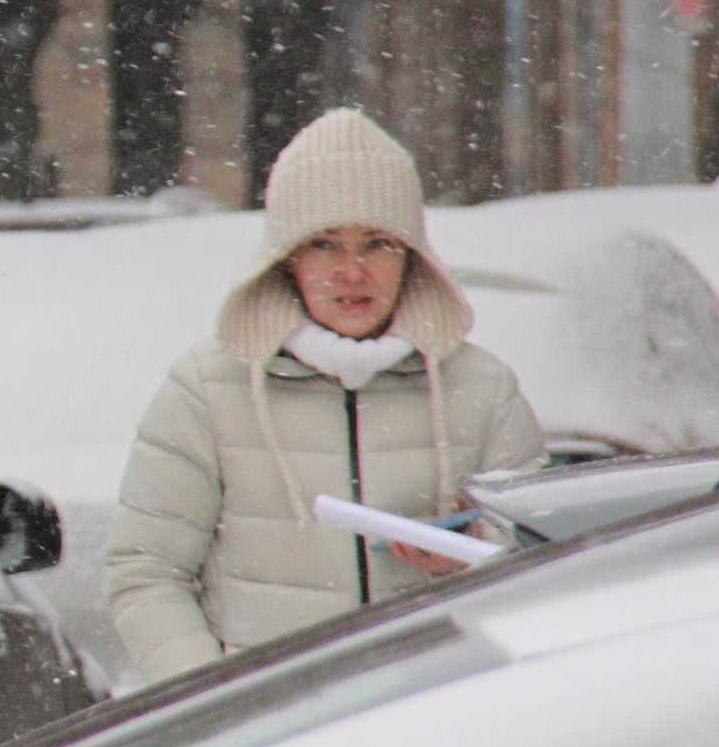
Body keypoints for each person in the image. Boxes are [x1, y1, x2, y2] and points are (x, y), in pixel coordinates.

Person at [106, 107, 543, 685]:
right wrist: (212, 701)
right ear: (287, 258)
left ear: (412, 255)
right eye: (325, 245)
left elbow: (545, 568)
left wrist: (472, 553)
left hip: (441, 721)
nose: (352, 272)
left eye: (378, 244)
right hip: (267, 730)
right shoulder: (208, 389)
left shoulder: (483, 389)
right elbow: (145, 574)